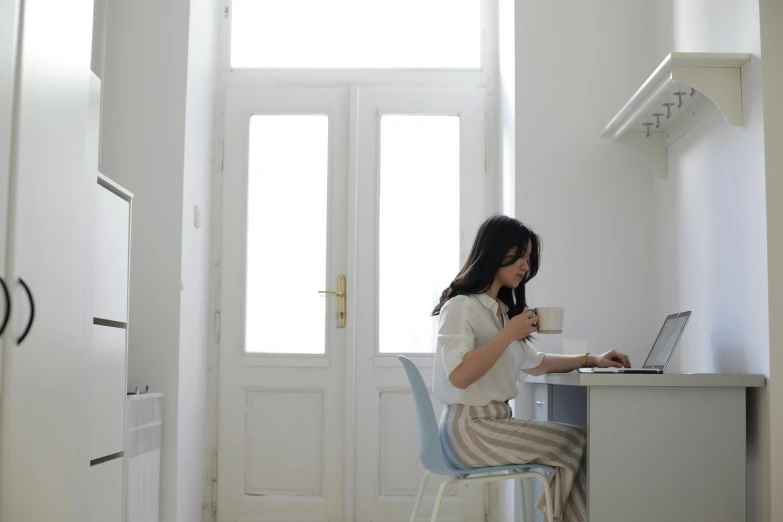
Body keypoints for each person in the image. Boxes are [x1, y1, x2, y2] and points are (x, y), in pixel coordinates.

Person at [432, 215, 631, 522]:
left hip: (491, 425)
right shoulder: (461, 306)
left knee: (574, 442)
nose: (525, 266)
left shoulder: (499, 310)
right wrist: (508, 334)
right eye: (519, 255)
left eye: (528, 258)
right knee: (574, 441)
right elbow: (459, 375)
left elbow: (536, 363)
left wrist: (591, 359)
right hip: (470, 430)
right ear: (495, 251)